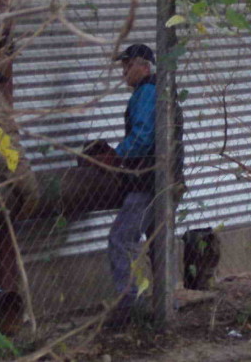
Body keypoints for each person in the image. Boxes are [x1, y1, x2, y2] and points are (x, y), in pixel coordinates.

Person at [106, 44, 158, 324]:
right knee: (155, 241)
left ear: (145, 67)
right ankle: (158, 303)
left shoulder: (147, 92)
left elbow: (143, 137)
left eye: (128, 66)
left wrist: (115, 156)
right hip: (160, 178)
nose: (124, 72)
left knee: (121, 239)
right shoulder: (154, 89)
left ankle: (129, 307)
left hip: (147, 181)